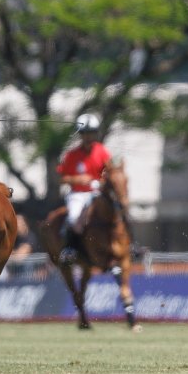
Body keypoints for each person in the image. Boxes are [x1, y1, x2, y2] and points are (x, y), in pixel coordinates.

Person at [56, 113, 111, 264]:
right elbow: (62, 178)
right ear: (80, 135)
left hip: (97, 193)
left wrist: (99, 182)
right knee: (74, 218)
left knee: (118, 211)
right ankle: (70, 249)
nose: (88, 137)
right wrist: (77, 179)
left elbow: (110, 173)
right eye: (85, 133)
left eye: (91, 133)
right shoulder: (71, 155)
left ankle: (130, 246)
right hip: (78, 194)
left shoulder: (102, 152)